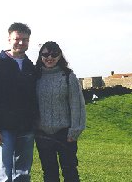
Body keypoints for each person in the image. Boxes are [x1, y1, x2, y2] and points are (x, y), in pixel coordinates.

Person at [0, 22, 38, 182]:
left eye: (25, 39)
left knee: (23, 172)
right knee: (3, 173)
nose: (21, 42)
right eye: (17, 39)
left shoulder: (30, 66)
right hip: (3, 128)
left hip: (26, 126)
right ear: (9, 39)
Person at [35, 41, 86, 182]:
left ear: (59, 56)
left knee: (70, 172)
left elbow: (77, 106)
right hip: (42, 134)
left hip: (65, 133)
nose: (49, 57)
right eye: (45, 54)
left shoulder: (68, 76)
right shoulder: (35, 77)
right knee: (49, 173)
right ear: (40, 56)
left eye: (54, 54)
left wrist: (75, 131)